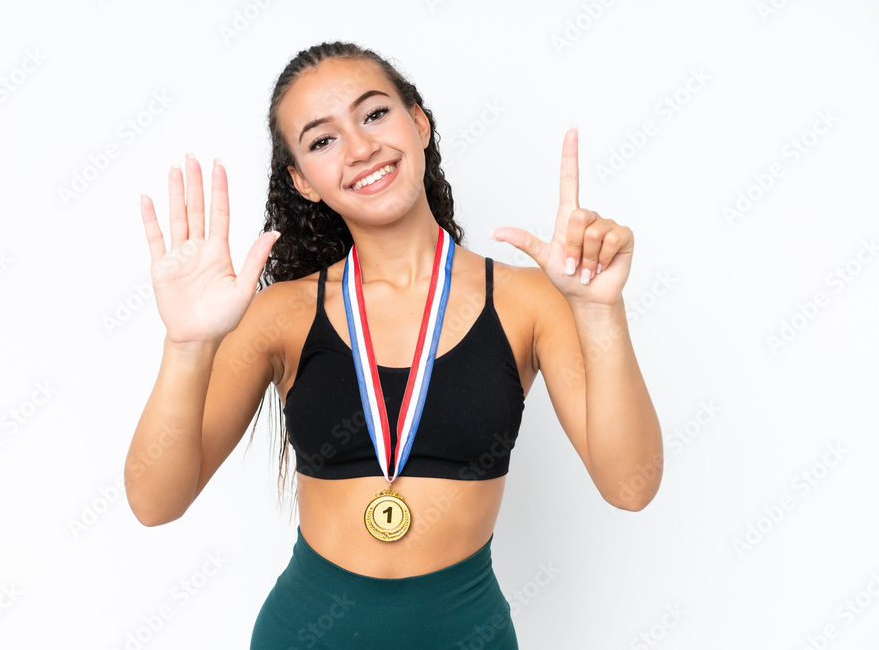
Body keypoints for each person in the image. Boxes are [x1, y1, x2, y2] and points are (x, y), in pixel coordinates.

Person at [125, 40, 662, 648]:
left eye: (374, 113)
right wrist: (187, 345)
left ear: (419, 122)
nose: (359, 148)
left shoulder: (526, 303)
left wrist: (599, 312)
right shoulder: (283, 314)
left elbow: (631, 485)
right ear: (303, 181)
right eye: (321, 140)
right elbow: (154, 502)